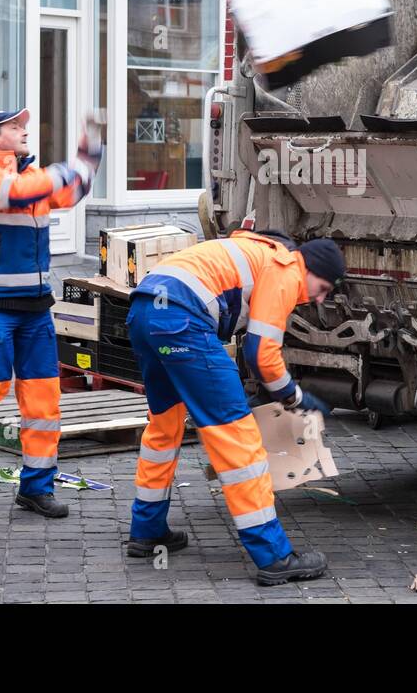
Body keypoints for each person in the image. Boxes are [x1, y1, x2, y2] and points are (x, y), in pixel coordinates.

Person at [125, 229, 345, 585]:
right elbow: (261, 353)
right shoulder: (286, 268)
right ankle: (274, 557)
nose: (319, 299)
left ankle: (147, 530)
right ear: (310, 268)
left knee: (164, 426)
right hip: (182, 322)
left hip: (144, 311)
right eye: (322, 289)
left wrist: (267, 389)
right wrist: (293, 397)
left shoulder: (257, 251)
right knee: (238, 440)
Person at [0, 108, 103, 518]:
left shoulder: (30, 176)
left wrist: (90, 153)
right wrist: (66, 169)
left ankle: (36, 488)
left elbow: (71, 192)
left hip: (34, 308)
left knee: (44, 403)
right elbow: (17, 192)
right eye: (15, 127)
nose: (25, 130)